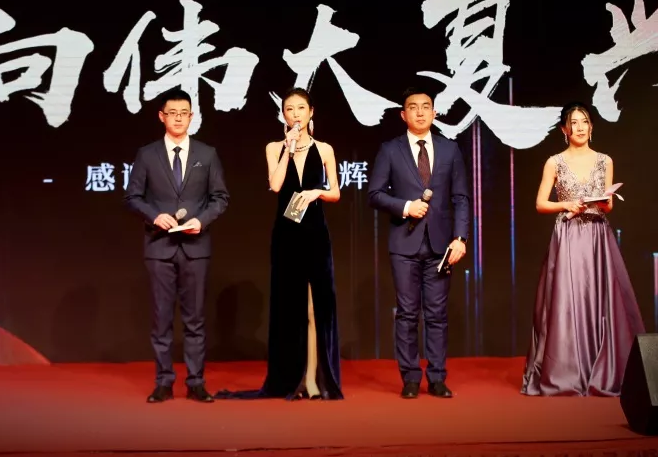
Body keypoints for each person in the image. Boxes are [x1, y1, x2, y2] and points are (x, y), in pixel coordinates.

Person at [217, 88, 344, 400]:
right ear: (283, 115)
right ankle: (290, 378)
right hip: (287, 235)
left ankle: (313, 380)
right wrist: (288, 149)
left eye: (301, 108)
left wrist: (317, 192)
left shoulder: (324, 149)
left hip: (315, 234)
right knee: (290, 309)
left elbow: (336, 193)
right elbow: (275, 185)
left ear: (311, 112)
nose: (295, 114)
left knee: (314, 310)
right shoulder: (274, 147)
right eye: (289, 109)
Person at [521, 103, 645, 396]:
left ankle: (603, 370)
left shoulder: (605, 160)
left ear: (591, 127)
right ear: (564, 129)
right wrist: (567, 205)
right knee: (567, 301)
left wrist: (604, 202)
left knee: (601, 300)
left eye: (584, 121)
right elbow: (540, 204)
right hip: (568, 234)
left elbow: (608, 206)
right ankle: (567, 372)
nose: (579, 127)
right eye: (573, 122)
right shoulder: (554, 162)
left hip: (598, 235)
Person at [124, 88, 230, 403]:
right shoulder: (147, 154)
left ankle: (196, 382)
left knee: (195, 319)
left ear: (192, 116)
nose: (179, 118)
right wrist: (154, 216)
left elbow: (220, 198)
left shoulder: (207, 154)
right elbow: (132, 197)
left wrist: (202, 220)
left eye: (184, 113)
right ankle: (163, 381)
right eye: (173, 113)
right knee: (161, 319)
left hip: (196, 247)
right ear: (162, 116)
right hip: (159, 247)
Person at [367, 87, 470, 399]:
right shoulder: (390, 150)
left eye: (426, 106)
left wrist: (460, 238)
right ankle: (410, 378)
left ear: (435, 112)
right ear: (403, 115)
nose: (421, 112)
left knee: (437, 314)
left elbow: (461, 197)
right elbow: (374, 194)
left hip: (441, 245)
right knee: (408, 313)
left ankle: (437, 378)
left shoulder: (450, 149)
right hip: (404, 244)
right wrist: (405, 207)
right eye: (413, 107)